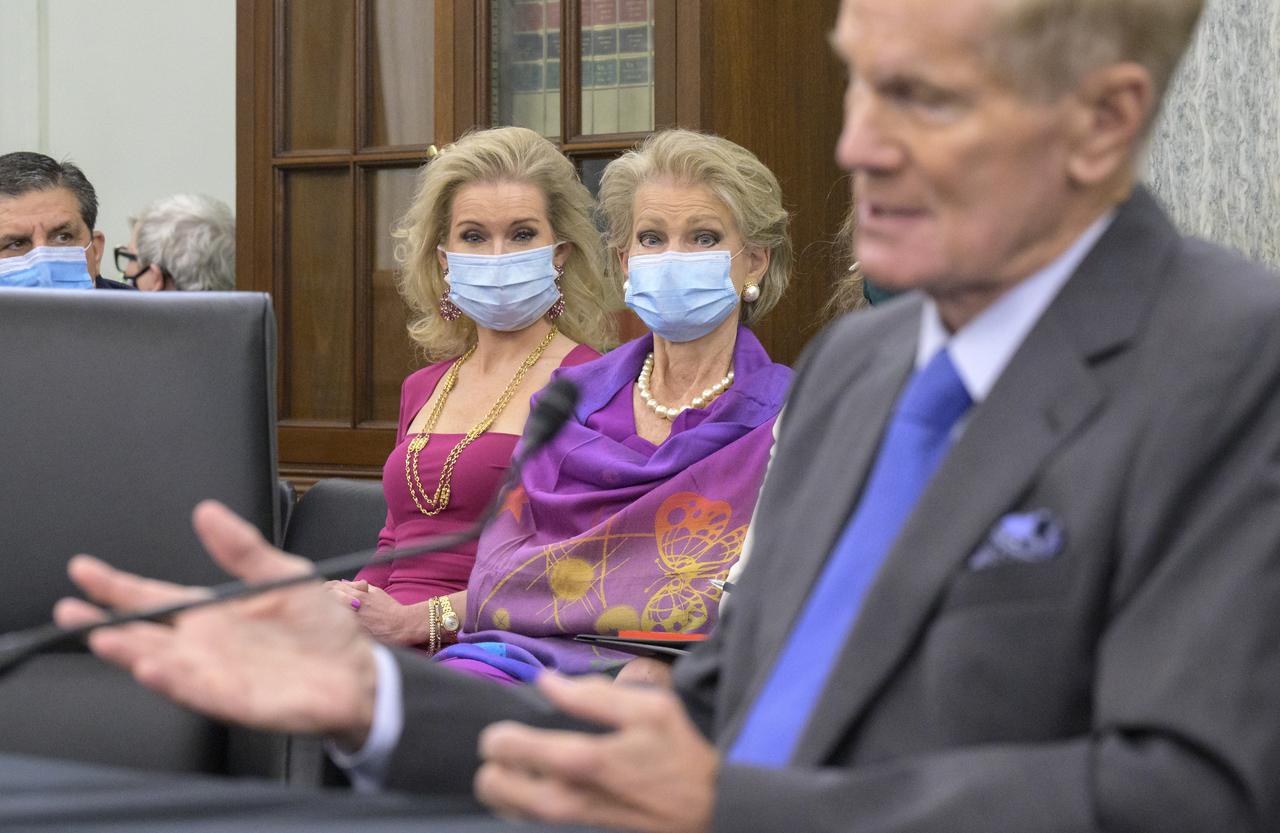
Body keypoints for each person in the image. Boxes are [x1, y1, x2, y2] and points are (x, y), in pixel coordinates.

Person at [54, 1, 1280, 831]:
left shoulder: (1233, 364)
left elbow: (1194, 788)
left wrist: (722, 805)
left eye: (924, 100)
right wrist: (373, 700)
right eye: (859, 85)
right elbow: (710, 703)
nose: (860, 145)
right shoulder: (863, 368)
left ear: (1103, 122)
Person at [431, 129, 793, 683]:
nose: (673, 258)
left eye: (703, 238)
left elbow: (771, 598)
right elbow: (497, 580)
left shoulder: (791, 414)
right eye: (652, 238)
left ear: (756, 264)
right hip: (515, 660)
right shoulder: (568, 397)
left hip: (683, 680)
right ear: (624, 261)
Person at [327, 126, 616, 652]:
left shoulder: (593, 383)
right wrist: (346, 604)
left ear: (560, 252)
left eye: (523, 234)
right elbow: (396, 539)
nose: (497, 255)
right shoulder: (423, 386)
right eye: (474, 236)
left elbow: (567, 562)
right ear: (443, 258)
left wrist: (417, 624)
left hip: (496, 645)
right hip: (385, 640)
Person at [0, 151, 131, 290]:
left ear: (95, 252)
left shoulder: (143, 312)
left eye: (63, 237)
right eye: (17, 244)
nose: (44, 268)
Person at [117, 194, 236, 291]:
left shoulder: (120, 319)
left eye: (130, 257)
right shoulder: (248, 318)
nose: (127, 271)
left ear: (155, 278)